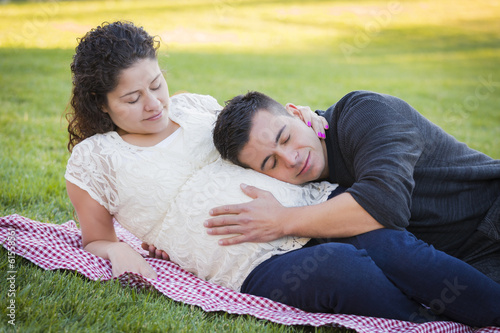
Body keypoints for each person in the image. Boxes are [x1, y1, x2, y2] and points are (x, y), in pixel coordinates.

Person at [64, 22, 497, 325]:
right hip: (254, 259)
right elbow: (97, 236)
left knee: (393, 246)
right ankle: (425, 320)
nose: (154, 104)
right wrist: (120, 250)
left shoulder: (193, 105)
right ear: (102, 105)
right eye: (133, 98)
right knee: (342, 269)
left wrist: (306, 119)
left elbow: (253, 131)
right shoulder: (94, 159)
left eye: (156, 84)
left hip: (317, 207)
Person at [208, 90, 500, 326]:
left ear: (297, 113)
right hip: (472, 265)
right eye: (271, 163)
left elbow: (384, 204)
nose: (292, 159)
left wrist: (283, 220)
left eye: (285, 137)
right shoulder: (308, 191)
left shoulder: (364, 112)